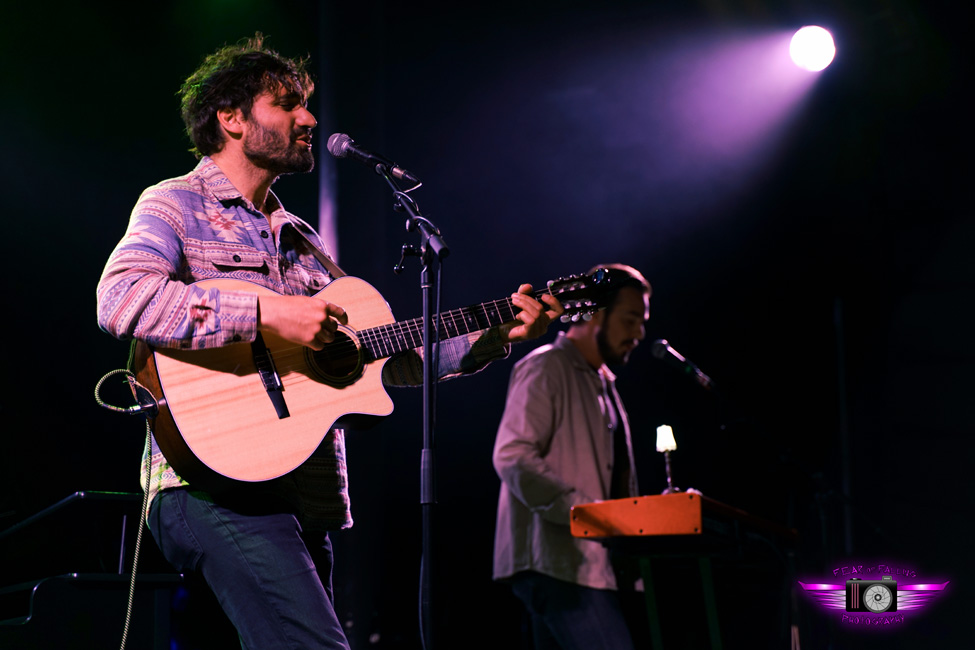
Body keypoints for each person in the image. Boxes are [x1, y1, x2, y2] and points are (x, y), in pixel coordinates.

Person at [96, 34, 562, 650]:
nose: (309, 118)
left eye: (306, 105)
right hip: (206, 484)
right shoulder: (175, 203)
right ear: (231, 119)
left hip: (303, 493)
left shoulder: (303, 239)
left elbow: (386, 359)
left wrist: (496, 332)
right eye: (287, 104)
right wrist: (267, 314)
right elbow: (121, 298)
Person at [492, 263, 651, 650]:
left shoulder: (603, 383)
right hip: (558, 567)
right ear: (595, 312)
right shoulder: (547, 365)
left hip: (588, 569)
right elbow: (512, 455)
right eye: (631, 319)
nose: (639, 333)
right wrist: (586, 513)